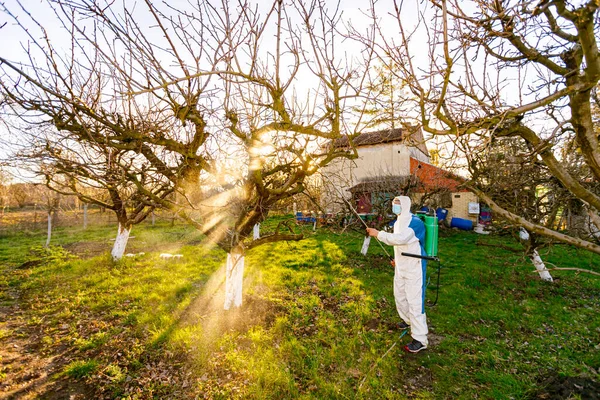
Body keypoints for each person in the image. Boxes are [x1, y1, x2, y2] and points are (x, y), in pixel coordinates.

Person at [366, 195, 428, 353]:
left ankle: (420, 339)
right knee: (400, 296)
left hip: (415, 267)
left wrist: (377, 234)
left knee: (415, 302)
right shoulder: (398, 221)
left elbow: (400, 239)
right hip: (401, 266)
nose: (396, 206)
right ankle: (407, 321)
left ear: (406, 205)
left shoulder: (415, 222)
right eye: (394, 204)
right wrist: (396, 260)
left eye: (398, 204)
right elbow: (400, 246)